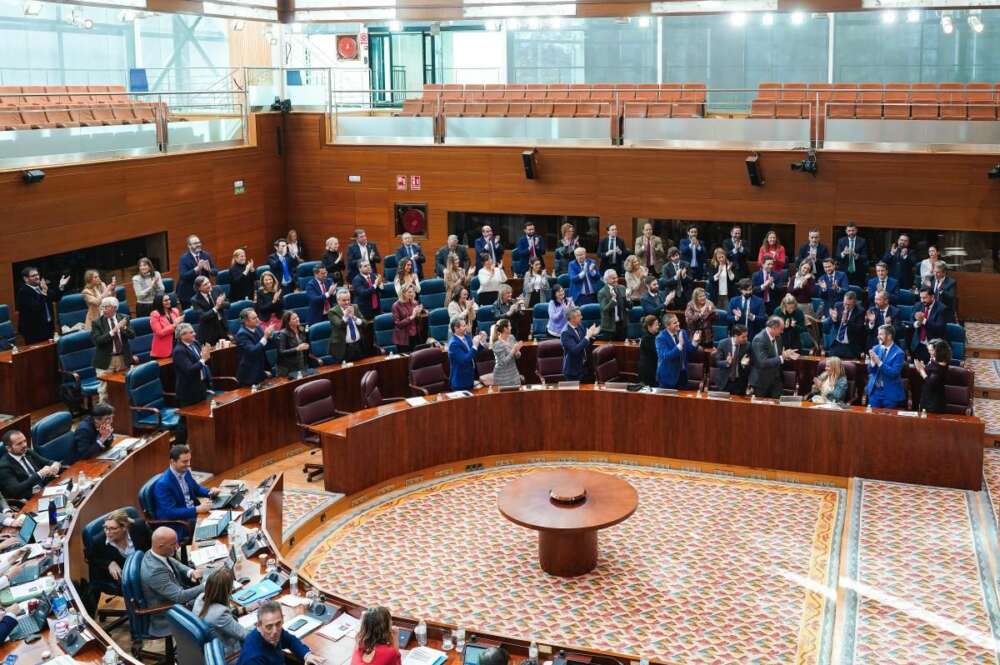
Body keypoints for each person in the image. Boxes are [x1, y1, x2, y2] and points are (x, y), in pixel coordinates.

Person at [140, 527, 205, 637]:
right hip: (169, 614)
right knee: (214, 607)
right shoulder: (154, 572)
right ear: (160, 546)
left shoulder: (154, 553)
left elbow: (173, 562)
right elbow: (180, 597)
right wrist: (207, 585)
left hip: (176, 599)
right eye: (173, 544)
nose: (177, 547)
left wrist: (190, 572)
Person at [152, 444, 220, 540]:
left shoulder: (185, 471)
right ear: (172, 462)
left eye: (189, 460)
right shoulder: (163, 484)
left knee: (220, 516)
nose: (188, 464)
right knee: (213, 527)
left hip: (193, 513)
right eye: (184, 461)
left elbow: (196, 488)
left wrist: (210, 492)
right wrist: (197, 509)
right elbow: (170, 512)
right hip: (181, 522)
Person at [237, 600, 325, 665]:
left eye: (278, 624)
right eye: (269, 626)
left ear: (282, 619)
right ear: (258, 625)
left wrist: (307, 655)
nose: (275, 631)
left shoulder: (274, 632)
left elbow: (290, 640)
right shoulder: (253, 659)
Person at [86, 509, 151, 592]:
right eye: (105, 528)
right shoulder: (98, 541)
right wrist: (109, 563)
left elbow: (153, 546)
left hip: (147, 568)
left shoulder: (140, 527)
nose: (108, 532)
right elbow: (92, 559)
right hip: (125, 581)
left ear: (124, 527)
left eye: (113, 529)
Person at [194, 567, 249, 658]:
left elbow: (215, 613)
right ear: (227, 590)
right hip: (228, 654)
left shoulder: (200, 598)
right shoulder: (220, 614)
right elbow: (245, 635)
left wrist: (243, 610)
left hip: (208, 650)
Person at [172, 323, 212, 445]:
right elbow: (189, 370)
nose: (194, 333)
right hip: (188, 392)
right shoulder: (179, 351)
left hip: (200, 387)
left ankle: (199, 443)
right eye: (190, 332)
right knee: (185, 422)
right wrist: (203, 359)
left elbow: (202, 362)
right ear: (182, 335)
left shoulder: (195, 343)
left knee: (201, 416)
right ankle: (178, 446)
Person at [92, 297, 136, 403]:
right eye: (102, 307)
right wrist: (114, 331)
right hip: (105, 360)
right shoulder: (97, 323)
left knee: (124, 388)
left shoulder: (124, 318)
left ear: (114, 308)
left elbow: (132, 335)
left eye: (106, 307)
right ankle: (102, 416)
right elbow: (98, 341)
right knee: (104, 391)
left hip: (122, 358)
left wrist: (123, 328)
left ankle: (122, 415)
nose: (103, 310)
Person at [0, 429, 61, 502]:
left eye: (25, 441)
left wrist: (56, 465)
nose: (24, 445)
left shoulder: (27, 451)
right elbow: (15, 490)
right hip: (28, 499)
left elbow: (48, 462)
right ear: (8, 448)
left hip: (44, 490)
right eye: (19, 443)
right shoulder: (3, 466)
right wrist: (39, 474)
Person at [16, 266, 69, 343]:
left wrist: (61, 286)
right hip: (34, 331)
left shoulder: (41, 287)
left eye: (37, 274)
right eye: (33, 275)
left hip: (48, 327)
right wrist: (44, 292)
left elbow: (55, 297)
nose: (37, 277)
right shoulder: (23, 292)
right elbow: (36, 307)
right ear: (26, 279)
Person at [749, 316, 798, 398]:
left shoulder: (778, 338)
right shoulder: (759, 339)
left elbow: (776, 355)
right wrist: (782, 357)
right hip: (762, 381)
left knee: (777, 407)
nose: (782, 331)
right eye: (781, 329)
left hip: (776, 379)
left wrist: (786, 355)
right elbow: (763, 362)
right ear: (774, 328)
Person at [865, 324, 906, 409]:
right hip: (875, 391)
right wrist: (872, 362)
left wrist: (879, 362)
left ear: (889, 336)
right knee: (871, 419)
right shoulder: (875, 348)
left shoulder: (899, 353)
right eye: (878, 334)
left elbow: (893, 373)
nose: (878, 336)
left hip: (890, 393)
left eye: (881, 334)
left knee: (887, 421)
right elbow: (870, 371)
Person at [655, 313, 700, 389]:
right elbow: (666, 356)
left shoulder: (682, 332)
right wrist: (679, 345)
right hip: (668, 377)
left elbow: (690, 349)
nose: (678, 324)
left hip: (682, 375)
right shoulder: (660, 338)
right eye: (675, 323)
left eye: (678, 321)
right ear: (667, 326)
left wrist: (695, 341)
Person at [911, 287, 953, 363]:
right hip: (918, 345)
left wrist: (923, 320)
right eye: (921, 298)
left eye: (925, 298)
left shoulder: (942, 309)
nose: (922, 300)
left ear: (932, 297)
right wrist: (918, 323)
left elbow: (939, 329)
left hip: (934, 347)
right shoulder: (918, 305)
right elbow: (911, 321)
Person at [177, 235, 217, 309]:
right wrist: (197, 269)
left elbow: (215, 272)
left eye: (199, 242)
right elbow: (183, 276)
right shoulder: (183, 259)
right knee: (192, 317)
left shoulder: (206, 255)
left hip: (203, 292)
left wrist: (209, 270)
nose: (198, 245)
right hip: (188, 294)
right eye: (195, 243)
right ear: (189, 246)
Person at [235, 308, 272, 386]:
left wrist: (270, 336)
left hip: (261, 370)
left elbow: (264, 344)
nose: (258, 320)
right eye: (254, 318)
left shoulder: (257, 328)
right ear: (246, 321)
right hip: (250, 375)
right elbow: (253, 351)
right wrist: (265, 337)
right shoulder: (241, 334)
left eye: (257, 317)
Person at [561, 307, 599, 381]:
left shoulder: (580, 325)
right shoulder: (565, 333)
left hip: (584, 367)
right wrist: (588, 336)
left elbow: (586, 338)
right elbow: (575, 350)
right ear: (572, 319)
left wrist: (593, 333)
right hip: (573, 371)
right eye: (579, 316)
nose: (582, 317)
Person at [915, 339, 952, 413]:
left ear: (938, 351)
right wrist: (923, 368)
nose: (929, 352)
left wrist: (922, 370)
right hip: (927, 397)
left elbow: (931, 383)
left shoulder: (940, 366)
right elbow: (930, 375)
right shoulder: (935, 360)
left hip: (933, 403)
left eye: (931, 350)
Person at [448, 318, 486, 390]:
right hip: (460, 381)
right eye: (463, 326)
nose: (466, 327)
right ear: (456, 328)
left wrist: (482, 342)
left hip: (470, 377)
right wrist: (475, 345)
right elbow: (465, 360)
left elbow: (474, 352)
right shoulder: (453, 344)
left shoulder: (467, 337)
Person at [826, 291, 866, 359]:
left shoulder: (860, 311)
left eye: (849, 304)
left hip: (850, 346)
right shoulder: (838, 306)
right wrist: (833, 319)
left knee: (848, 367)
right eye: (845, 303)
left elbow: (859, 329)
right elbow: (831, 325)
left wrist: (847, 322)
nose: (846, 306)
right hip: (836, 343)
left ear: (854, 303)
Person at [328, 289, 365, 363]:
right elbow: (340, 325)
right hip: (343, 348)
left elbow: (364, 323)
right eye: (344, 300)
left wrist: (354, 317)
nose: (347, 302)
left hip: (358, 346)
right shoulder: (333, 311)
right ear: (338, 300)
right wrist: (345, 316)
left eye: (348, 299)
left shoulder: (355, 307)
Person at [191, 275, 229, 346]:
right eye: (205, 284)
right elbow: (203, 316)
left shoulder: (217, 289)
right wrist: (216, 307)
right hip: (209, 331)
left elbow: (228, 305)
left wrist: (221, 303)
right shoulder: (195, 300)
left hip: (222, 326)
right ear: (199, 288)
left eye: (208, 282)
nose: (209, 285)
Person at [714, 324, 750, 395]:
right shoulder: (723, 344)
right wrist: (726, 362)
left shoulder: (747, 346)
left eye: (746, 336)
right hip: (725, 382)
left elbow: (750, 365)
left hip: (740, 382)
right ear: (736, 336)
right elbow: (717, 362)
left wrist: (744, 364)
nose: (746, 339)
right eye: (743, 337)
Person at [276, 311, 311, 377]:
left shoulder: (302, 329)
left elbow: (306, 342)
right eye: (294, 318)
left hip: (302, 363)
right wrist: (297, 349)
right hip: (288, 368)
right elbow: (281, 352)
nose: (297, 319)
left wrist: (307, 346)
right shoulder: (283, 334)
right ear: (288, 322)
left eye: (297, 317)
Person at [490, 319, 523, 387]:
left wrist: (517, 351)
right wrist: (513, 350)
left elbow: (517, 356)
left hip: (514, 373)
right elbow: (503, 362)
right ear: (505, 329)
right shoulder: (497, 344)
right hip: (502, 376)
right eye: (510, 325)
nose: (511, 327)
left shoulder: (511, 337)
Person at [391, 285, 424, 353]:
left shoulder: (415, 303)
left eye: (412, 292)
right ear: (403, 293)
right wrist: (411, 317)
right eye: (409, 292)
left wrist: (419, 314)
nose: (412, 294)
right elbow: (398, 324)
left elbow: (417, 320)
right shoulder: (396, 305)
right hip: (403, 339)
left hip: (415, 336)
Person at [598, 269, 628, 341]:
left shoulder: (622, 288)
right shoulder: (602, 292)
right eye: (613, 278)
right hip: (609, 327)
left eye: (616, 277)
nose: (616, 280)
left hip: (622, 325)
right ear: (606, 280)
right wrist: (613, 299)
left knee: (621, 349)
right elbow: (605, 309)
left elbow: (629, 306)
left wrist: (629, 298)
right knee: (610, 350)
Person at [150, 294, 181, 360]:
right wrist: (174, 325)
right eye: (166, 300)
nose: (169, 301)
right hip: (163, 350)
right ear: (159, 302)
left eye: (169, 299)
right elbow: (159, 333)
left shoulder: (175, 311)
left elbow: (179, 328)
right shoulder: (155, 314)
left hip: (177, 345)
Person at [637, 315, 661, 387]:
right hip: (647, 370)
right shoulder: (647, 338)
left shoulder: (654, 335)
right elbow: (657, 351)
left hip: (652, 367)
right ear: (649, 327)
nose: (658, 327)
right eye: (656, 325)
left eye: (658, 324)